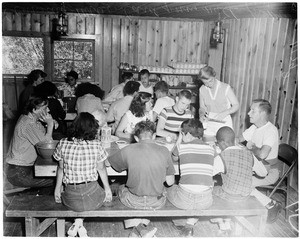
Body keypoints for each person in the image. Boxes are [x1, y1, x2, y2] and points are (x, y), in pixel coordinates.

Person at [108, 120, 175, 236]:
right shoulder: (165, 151)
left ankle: (140, 228)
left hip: (133, 201)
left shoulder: (128, 149)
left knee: (120, 187)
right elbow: (170, 182)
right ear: (154, 136)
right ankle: (142, 228)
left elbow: (108, 164)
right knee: (162, 190)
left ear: (136, 138)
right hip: (156, 202)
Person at [53, 112, 112, 237]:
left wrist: (57, 189)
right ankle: (79, 222)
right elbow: (101, 169)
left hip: (70, 198)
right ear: (93, 128)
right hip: (92, 196)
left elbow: (60, 169)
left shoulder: (63, 143)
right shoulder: (97, 144)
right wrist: (107, 189)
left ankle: (78, 222)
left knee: (78, 205)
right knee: (96, 195)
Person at [167, 119, 215, 237]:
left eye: (182, 133)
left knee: (168, 189)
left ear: (187, 134)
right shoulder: (211, 148)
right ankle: (189, 224)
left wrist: (179, 139)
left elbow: (172, 158)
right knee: (198, 192)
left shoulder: (181, 147)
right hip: (205, 200)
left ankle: (179, 222)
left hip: (184, 199)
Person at [239, 99, 282, 223]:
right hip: (255, 168)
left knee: (241, 183)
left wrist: (250, 146)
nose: (248, 113)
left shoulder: (271, 130)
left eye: (253, 111)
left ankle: (271, 204)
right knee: (234, 177)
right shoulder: (255, 127)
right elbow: (238, 139)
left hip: (269, 172)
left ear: (262, 114)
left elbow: (263, 154)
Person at [6, 97, 55, 188]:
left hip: (22, 169)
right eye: (44, 108)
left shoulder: (30, 119)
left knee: (54, 176)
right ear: (34, 110)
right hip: (19, 173)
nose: (48, 110)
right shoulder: (28, 124)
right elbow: (47, 148)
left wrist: (49, 124)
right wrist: (50, 125)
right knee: (57, 180)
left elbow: (45, 137)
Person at [198, 66, 239, 137]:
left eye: (210, 81)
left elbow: (236, 105)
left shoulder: (225, 88)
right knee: (208, 144)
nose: (208, 85)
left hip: (224, 120)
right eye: (205, 83)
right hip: (209, 121)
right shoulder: (202, 89)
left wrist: (225, 113)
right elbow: (202, 107)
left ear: (214, 76)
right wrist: (201, 115)